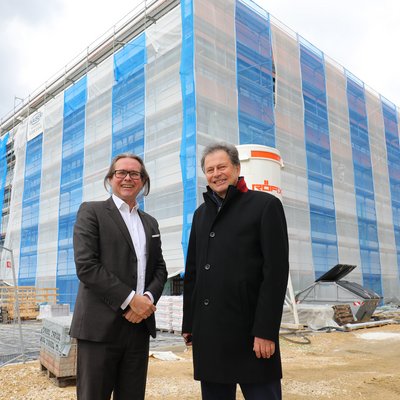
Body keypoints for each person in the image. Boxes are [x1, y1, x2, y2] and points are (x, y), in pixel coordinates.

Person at [182, 142, 289, 400]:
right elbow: (193, 272)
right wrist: (189, 323)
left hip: (251, 334)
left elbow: (275, 272)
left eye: (222, 167)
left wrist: (265, 330)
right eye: (210, 169)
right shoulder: (200, 215)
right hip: (210, 334)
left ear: (237, 168)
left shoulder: (265, 205)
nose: (216, 174)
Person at [70, 153, 167, 400]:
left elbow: (160, 268)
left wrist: (145, 299)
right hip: (99, 328)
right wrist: (130, 299)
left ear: (143, 180)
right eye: (121, 172)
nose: (127, 178)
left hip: (138, 328)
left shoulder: (150, 223)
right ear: (110, 178)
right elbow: (87, 266)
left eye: (134, 173)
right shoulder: (91, 212)